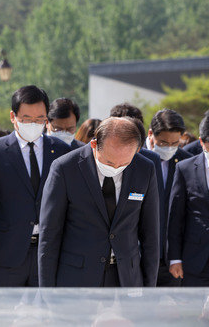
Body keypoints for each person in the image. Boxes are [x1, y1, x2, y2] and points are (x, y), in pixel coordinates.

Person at [38, 117, 160, 287]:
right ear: (94, 145)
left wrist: (149, 289)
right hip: (78, 279)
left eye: (124, 163)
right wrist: (47, 292)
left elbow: (151, 234)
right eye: (109, 162)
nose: (116, 168)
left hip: (126, 279)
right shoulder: (66, 169)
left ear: (136, 150)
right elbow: (50, 235)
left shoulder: (145, 169)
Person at [0, 85, 72, 287]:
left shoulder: (61, 150)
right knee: (5, 314)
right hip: (5, 252)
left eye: (40, 119)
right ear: (13, 117)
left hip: (49, 252)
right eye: (27, 118)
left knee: (46, 314)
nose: (33, 124)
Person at [145, 109, 193, 286]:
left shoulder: (186, 162)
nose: (169, 148)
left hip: (171, 258)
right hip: (139, 253)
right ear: (151, 134)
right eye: (163, 143)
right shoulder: (134, 156)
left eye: (175, 143)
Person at [168, 114, 209, 286]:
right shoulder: (185, 168)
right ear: (201, 142)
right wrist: (174, 258)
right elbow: (176, 217)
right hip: (195, 259)